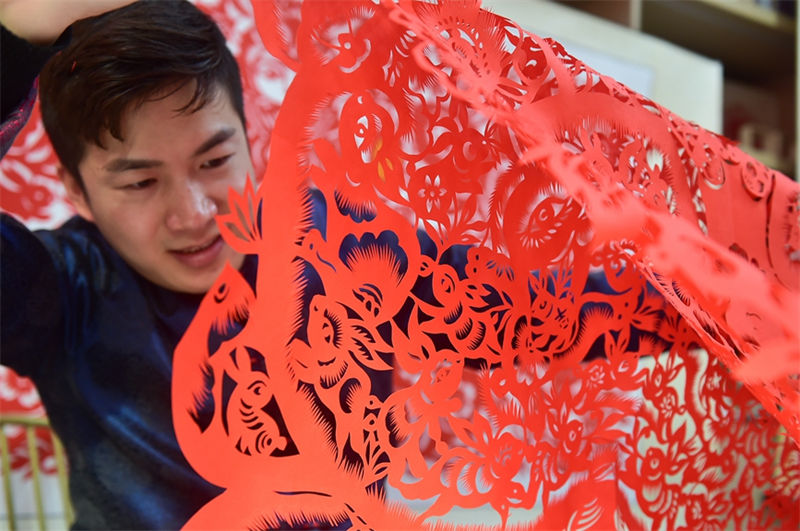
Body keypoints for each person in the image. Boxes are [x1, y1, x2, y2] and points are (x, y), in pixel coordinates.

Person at [0, 0, 269, 527]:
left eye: (215, 161)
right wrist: (11, 36)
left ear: (249, 140)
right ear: (77, 191)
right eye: (141, 182)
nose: (193, 216)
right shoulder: (63, 286)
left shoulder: (333, 246)